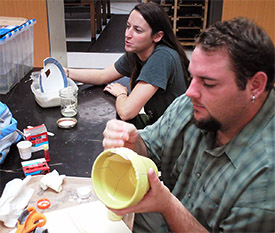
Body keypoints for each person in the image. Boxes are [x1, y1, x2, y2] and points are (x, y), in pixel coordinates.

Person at [102, 17, 275, 232]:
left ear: (255, 86)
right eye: (192, 77)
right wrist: (131, 141)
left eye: (208, 83)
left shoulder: (265, 180)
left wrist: (168, 205)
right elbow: (150, 146)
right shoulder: (193, 105)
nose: (190, 92)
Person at [64, 2, 189, 129]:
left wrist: (121, 94)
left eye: (137, 30)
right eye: (128, 26)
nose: (128, 34)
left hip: (174, 136)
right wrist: (65, 72)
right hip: (160, 126)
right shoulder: (137, 53)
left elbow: (126, 112)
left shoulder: (162, 57)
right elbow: (102, 75)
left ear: (157, 36)